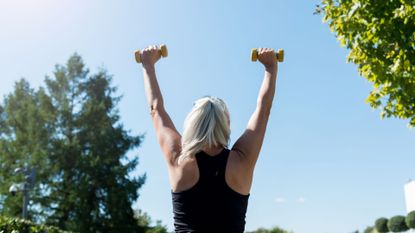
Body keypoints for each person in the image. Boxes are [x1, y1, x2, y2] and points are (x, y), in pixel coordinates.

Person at [140, 45, 278, 233]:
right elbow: (264, 109)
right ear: (226, 125)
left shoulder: (178, 158)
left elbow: (156, 109)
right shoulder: (242, 159)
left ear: (191, 123)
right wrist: (271, 67)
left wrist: (147, 64)